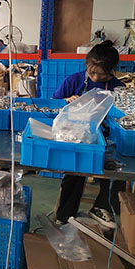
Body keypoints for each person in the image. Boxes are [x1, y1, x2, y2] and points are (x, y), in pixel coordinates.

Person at [52, 40, 125, 228]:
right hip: (77, 138)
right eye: (91, 72)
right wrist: (66, 101)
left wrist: (107, 112)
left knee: (114, 172)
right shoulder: (74, 81)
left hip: (105, 139)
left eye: (101, 74)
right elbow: (53, 104)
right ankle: (64, 216)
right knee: (75, 171)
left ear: (112, 71)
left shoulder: (118, 88)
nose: (95, 77)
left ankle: (102, 207)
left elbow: (123, 117)